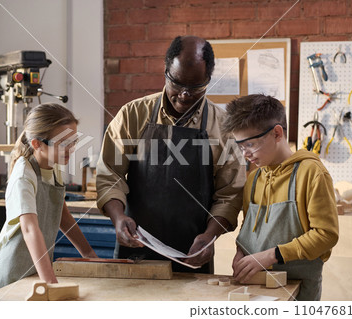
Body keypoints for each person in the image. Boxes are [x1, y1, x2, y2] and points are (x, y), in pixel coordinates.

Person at [96, 35, 245, 273]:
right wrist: (118, 218)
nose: (184, 95)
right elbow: (110, 174)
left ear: (208, 80)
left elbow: (229, 195)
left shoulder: (223, 126)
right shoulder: (132, 115)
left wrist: (210, 236)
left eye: (195, 87)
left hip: (194, 252)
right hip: (135, 246)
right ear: (165, 71)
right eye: (177, 83)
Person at [221, 94, 339, 300]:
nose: (245, 154)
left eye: (250, 144)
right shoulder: (254, 178)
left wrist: (270, 255)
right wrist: (241, 250)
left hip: (298, 290)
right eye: (240, 146)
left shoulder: (311, 172)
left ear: (277, 133)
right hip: (258, 290)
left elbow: (326, 235)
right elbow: (249, 228)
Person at [0, 103, 97, 293]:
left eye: (73, 142)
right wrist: (51, 284)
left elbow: (62, 215)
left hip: (36, 274)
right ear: (37, 144)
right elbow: (30, 229)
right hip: (12, 280)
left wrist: (89, 254)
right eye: (63, 144)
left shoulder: (53, 165)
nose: (70, 149)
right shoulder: (24, 174)